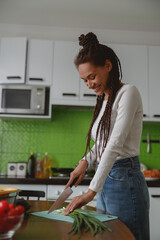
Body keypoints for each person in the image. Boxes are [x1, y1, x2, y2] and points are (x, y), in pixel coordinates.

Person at [64, 32, 150, 240]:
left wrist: (90, 192)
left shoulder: (128, 93)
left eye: (92, 77)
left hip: (125, 180)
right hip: (107, 180)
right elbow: (102, 142)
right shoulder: (105, 100)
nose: (90, 84)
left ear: (108, 66)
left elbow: (115, 143)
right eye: (85, 80)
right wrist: (85, 161)